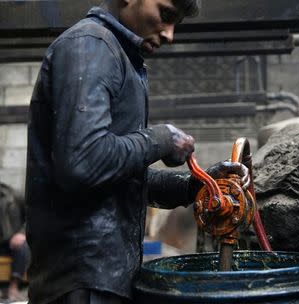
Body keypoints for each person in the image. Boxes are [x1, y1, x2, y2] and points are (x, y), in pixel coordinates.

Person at [25, 0, 249, 303]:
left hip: (100, 277)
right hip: (82, 281)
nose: (170, 34)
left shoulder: (117, 55)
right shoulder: (91, 46)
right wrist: (161, 138)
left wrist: (196, 184)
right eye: (166, 15)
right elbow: (83, 163)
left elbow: (117, 177)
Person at [0, 182, 29, 302]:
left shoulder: (13, 195)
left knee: (23, 247)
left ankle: (13, 288)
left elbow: (31, 218)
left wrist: (22, 233)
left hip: (11, 241)